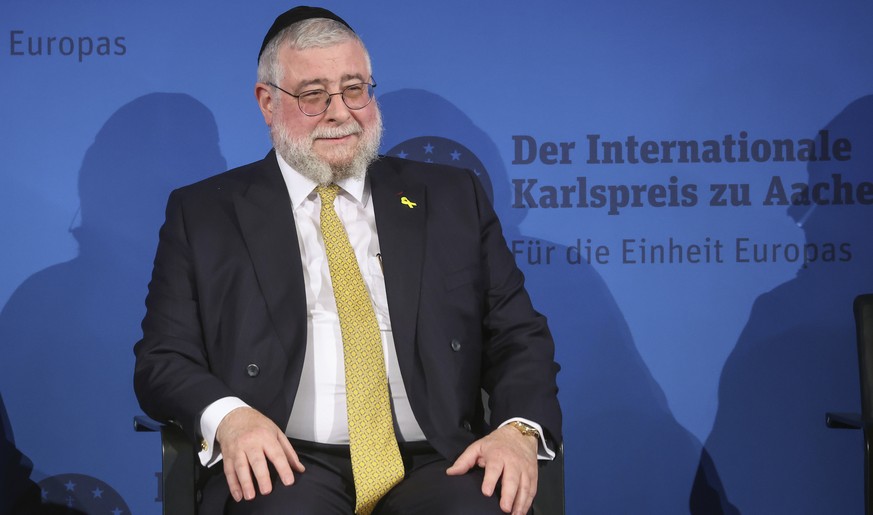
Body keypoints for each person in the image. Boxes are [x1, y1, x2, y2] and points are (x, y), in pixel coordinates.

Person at [133, 6, 561, 515]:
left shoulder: (449, 198)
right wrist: (229, 418)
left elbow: (518, 336)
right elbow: (162, 361)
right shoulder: (204, 214)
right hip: (286, 462)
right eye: (314, 95)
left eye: (354, 89)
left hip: (436, 458)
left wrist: (518, 431)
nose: (340, 112)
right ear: (267, 103)